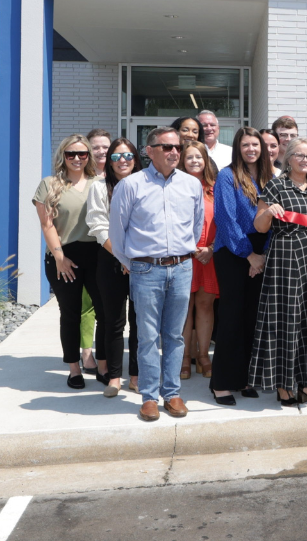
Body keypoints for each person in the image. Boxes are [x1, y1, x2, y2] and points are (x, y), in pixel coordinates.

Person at [109, 126, 204, 421]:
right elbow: (117, 232)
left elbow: (196, 226)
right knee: (148, 336)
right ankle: (149, 397)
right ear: (150, 151)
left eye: (178, 147)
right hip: (146, 268)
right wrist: (132, 262)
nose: (175, 152)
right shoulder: (131, 185)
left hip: (182, 267)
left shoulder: (191, 185)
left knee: (174, 335)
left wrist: (182, 254)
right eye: (167, 147)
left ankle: (172, 393)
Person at [251, 138, 307, 408]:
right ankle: (284, 385)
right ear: (288, 158)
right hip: (286, 260)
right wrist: (269, 212)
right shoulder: (276, 186)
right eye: (300, 155)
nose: (305, 160)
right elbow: (260, 226)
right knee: (287, 320)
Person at [33, 134, 105, 390]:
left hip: (96, 255)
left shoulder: (100, 183)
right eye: (70, 154)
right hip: (63, 257)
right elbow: (47, 224)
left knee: (104, 312)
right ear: (62, 156)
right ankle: (74, 368)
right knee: (71, 313)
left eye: (82, 153)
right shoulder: (49, 184)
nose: (76, 158)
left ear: (89, 156)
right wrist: (60, 257)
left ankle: (103, 365)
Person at [209, 127, 274, 404]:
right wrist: (249, 255)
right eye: (245, 145)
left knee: (253, 319)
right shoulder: (227, 176)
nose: (251, 149)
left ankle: (246, 377)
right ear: (238, 148)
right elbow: (225, 219)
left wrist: (263, 254)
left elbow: (275, 219)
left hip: (261, 251)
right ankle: (222, 383)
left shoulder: (270, 178)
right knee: (231, 317)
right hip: (233, 250)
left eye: (255, 144)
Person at [86, 137, 142, 397]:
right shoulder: (99, 187)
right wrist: (122, 258)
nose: (123, 161)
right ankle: (115, 377)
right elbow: (98, 227)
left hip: (142, 261)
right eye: (116, 156)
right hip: (110, 259)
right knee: (113, 321)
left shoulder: (146, 184)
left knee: (140, 321)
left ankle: (136, 376)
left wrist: (133, 260)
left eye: (128, 155)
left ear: (136, 159)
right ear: (109, 162)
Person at [178, 141, 219, 381]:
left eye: (199, 157)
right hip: (184, 255)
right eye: (189, 157)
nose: (194, 161)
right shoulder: (175, 185)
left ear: (206, 160)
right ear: (182, 161)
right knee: (184, 308)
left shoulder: (216, 188)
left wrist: (211, 248)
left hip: (209, 255)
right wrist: (190, 248)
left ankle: (203, 356)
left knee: (205, 306)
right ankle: (185, 357)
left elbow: (224, 221)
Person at [81, 128, 113, 372]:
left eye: (105, 147)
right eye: (96, 147)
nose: (101, 151)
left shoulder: (119, 175)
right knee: (87, 304)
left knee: (107, 306)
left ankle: (106, 352)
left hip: (110, 249)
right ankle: (86, 352)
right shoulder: (81, 177)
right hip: (85, 246)